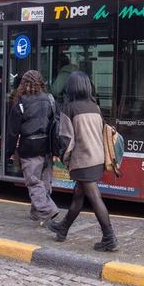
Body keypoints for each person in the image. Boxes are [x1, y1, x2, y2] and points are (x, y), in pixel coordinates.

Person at [48, 71, 117, 251]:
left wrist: (63, 158)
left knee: (94, 197)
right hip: (97, 158)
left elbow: (66, 139)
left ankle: (109, 237)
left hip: (82, 160)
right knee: (78, 196)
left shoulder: (68, 109)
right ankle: (63, 228)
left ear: (71, 87)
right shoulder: (95, 107)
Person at [4, 70, 59, 224]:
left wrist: (9, 152)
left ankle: (47, 209)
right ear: (41, 82)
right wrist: (56, 150)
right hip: (46, 146)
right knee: (45, 181)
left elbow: (13, 131)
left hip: (29, 147)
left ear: (24, 83)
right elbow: (56, 127)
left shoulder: (20, 102)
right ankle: (36, 213)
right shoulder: (50, 99)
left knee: (33, 182)